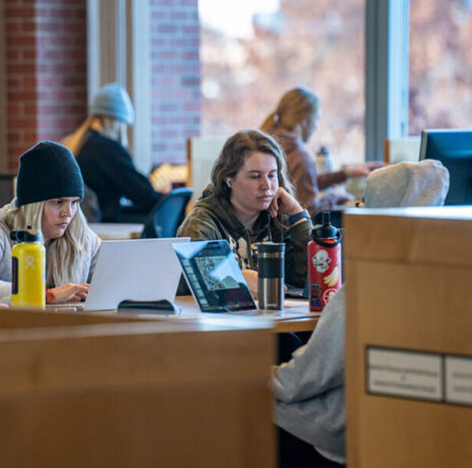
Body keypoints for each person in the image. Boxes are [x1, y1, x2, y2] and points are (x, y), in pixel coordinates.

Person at [270, 159, 450, 468]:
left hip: (339, 430)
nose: (358, 208)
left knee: (245, 402)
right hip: (403, 428)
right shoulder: (446, 282)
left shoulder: (367, 285)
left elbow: (303, 379)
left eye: (365, 202)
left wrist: (252, 375)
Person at [0, 141, 101, 305]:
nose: (69, 213)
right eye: (58, 202)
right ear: (33, 206)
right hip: (6, 328)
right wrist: (46, 295)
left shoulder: (81, 237)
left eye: (74, 202)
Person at [177, 129, 312, 290]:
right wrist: (237, 278)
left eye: (272, 175)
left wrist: (298, 215)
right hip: (223, 316)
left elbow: (313, 278)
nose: (267, 186)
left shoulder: (279, 220)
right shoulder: (201, 226)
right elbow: (199, 289)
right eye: (255, 176)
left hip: (274, 314)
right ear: (229, 179)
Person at [260, 86, 381, 215]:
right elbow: (310, 213)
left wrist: (345, 173)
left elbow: (299, 183)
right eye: (317, 119)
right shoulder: (299, 157)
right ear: (305, 121)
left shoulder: (268, 144)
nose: (316, 126)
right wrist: (335, 197)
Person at [62, 82, 163, 223]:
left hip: (82, 226)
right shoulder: (108, 149)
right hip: (104, 227)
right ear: (118, 122)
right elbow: (144, 195)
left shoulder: (75, 142)